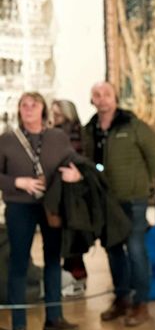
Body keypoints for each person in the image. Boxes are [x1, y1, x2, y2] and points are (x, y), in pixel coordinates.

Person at [0, 92, 83, 330]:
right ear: (18, 110)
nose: (28, 109)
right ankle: (19, 326)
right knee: (19, 263)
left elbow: (76, 163)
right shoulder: (7, 139)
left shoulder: (57, 137)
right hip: (18, 207)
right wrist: (17, 182)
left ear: (43, 110)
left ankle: (54, 318)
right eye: (24, 105)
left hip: (51, 206)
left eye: (33, 105)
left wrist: (77, 174)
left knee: (53, 260)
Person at [83, 82, 155, 327]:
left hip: (133, 199)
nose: (102, 98)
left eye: (107, 93)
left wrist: (144, 182)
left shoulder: (134, 126)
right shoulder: (89, 130)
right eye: (97, 94)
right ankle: (121, 299)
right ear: (92, 100)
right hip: (105, 202)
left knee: (136, 249)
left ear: (115, 98)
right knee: (113, 249)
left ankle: (141, 303)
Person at [51, 99, 87, 295]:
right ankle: (70, 276)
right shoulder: (56, 134)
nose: (54, 118)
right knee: (65, 236)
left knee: (72, 236)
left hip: (73, 193)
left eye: (58, 114)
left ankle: (76, 277)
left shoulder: (72, 134)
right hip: (59, 191)